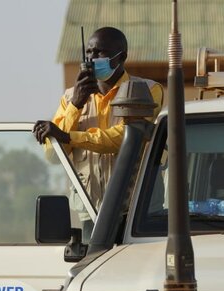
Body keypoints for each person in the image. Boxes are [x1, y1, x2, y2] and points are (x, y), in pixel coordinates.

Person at [33, 26, 163, 240]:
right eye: (89, 52)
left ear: (121, 57)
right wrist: (76, 105)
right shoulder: (69, 98)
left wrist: (69, 137)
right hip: (91, 213)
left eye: (100, 52)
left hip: (136, 212)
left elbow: (124, 138)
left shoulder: (146, 91)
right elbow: (54, 155)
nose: (92, 58)